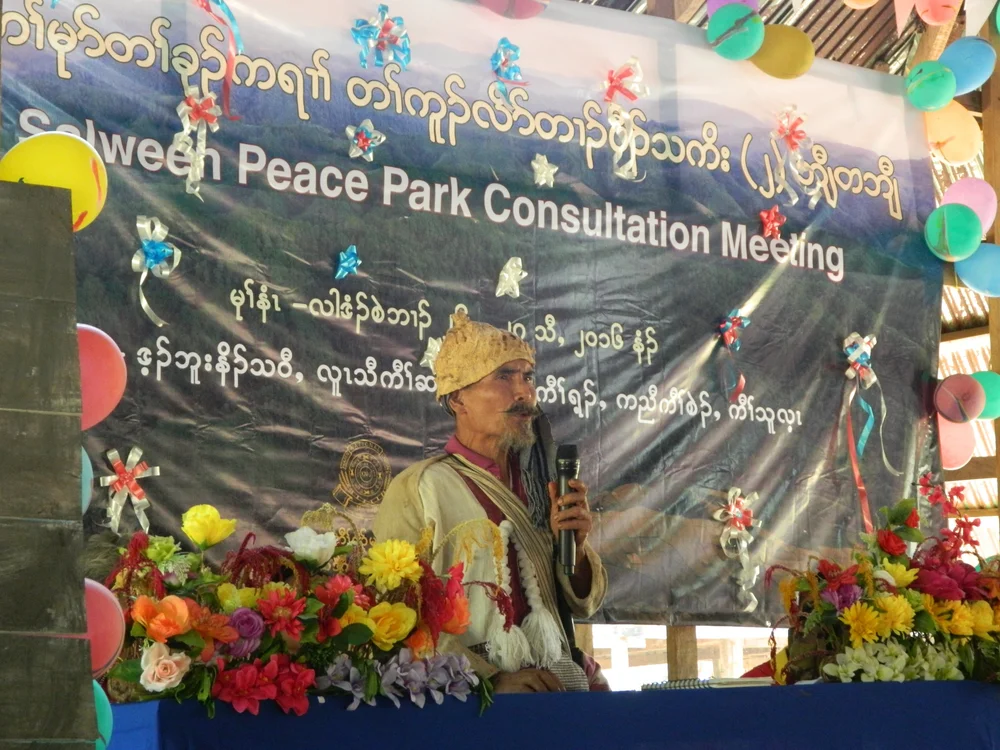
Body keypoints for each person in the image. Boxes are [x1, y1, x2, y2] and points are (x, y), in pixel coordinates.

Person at [374, 311, 608, 693]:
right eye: (503, 377)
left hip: (554, 692)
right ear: (457, 398)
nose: (523, 393)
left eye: (528, 377)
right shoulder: (420, 488)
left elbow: (583, 605)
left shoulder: (542, 484)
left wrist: (577, 551)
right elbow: (396, 617)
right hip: (471, 708)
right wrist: (492, 680)